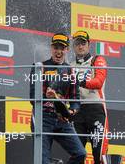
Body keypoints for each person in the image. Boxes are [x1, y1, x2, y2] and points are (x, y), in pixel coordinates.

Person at [29, 33, 86, 164]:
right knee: (43, 160)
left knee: (80, 154)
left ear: (67, 50)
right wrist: (49, 98)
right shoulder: (39, 67)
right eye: (56, 47)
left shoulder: (70, 71)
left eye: (62, 47)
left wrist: (70, 112)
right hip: (42, 118)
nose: (58, 51)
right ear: (51, 48)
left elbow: (75, 100)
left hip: (62, 120)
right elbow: (33, 98)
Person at [70, 30, 109, 164]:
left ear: (89, 44)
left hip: (95, 110)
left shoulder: (97, 60)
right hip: (77, 112)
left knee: (99, 155)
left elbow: (98, 82)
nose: (80, 46)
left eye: (83, 43)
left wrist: (79, 82)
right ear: (73, 46)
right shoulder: (70, 66)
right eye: (77, 43)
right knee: (78, 154)